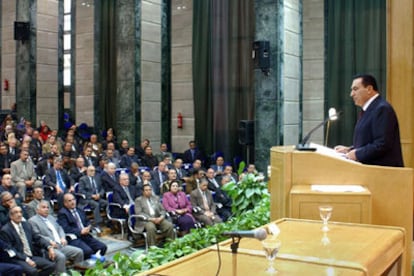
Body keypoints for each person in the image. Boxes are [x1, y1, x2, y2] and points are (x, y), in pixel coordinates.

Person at [335, 74, 404, 167]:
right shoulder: (368, 109)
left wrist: (357, 154)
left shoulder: (382, 109)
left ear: (369, 89)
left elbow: (382, 144)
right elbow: (368, 141)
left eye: (355, 89)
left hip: (383, 172)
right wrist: (350, 149)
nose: (351, 94)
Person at [29, 200, 84, 273]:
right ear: (37, 210)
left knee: (79, 252)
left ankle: (76, 273)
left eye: (47, 207)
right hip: (48, 248)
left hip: (60, 244)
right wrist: (50, 241)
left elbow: (60, 228)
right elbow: (37, 236)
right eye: (43, 207)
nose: (46, 209)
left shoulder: (51, 217)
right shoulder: (32, 221)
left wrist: (62, 237)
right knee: (61, 257)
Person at [0, 205, 56, 276]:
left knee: (51, 266)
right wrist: (26, 259)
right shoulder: (6, 230)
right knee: (33, 271)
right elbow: (11, 250)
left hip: (31, 255)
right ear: (11, 216)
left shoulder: (26, 225)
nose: (19, 214)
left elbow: (37, 238)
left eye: (20, 212)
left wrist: (49, 247)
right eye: (16, 212)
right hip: (17, 259)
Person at [57, 193, 107, 259]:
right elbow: (65, 228)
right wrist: (80, 231)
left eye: (73, 200)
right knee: (88, 251)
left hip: (85, 235)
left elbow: (87, 221)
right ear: (65, 203)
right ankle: (87, 266)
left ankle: (95, 263)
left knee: (102, 247)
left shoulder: (79, 210)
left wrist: (88, 227)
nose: (73, 202)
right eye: (70, 201)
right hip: (74, 237)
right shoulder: (62, 213)